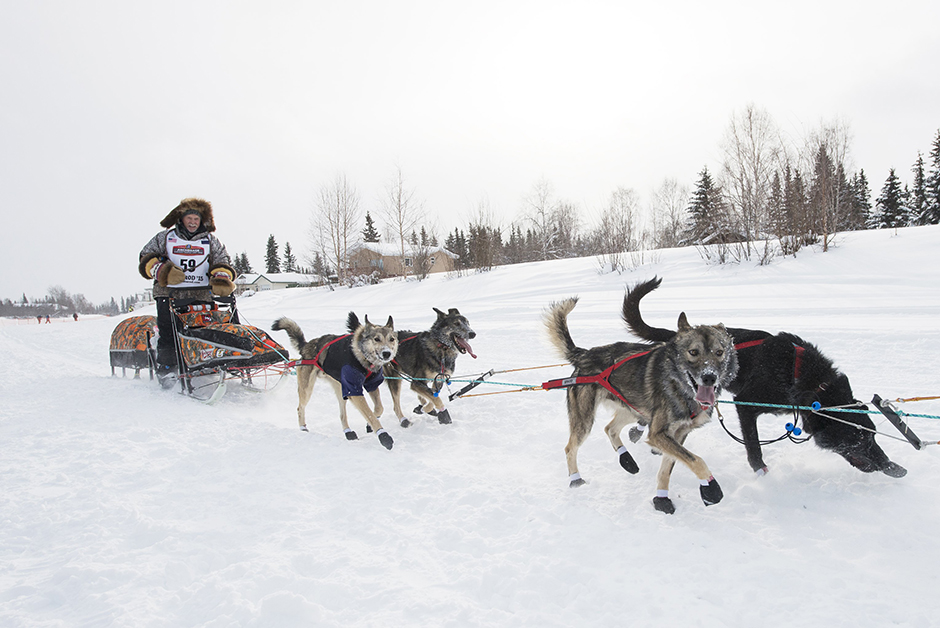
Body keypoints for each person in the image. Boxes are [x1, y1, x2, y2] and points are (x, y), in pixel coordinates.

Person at [139, 198, 236, 387]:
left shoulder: (210, 240)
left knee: (205, 329)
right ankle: (167, 368)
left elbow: (222, 259)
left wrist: (221, 277)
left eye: (196, 219)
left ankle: (204, 363)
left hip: (201, 293)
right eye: (189, 218)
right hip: (169, 293)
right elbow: (145, 257)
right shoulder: (165, 237)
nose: (193, 222)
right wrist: (163, 271)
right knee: (169, 331)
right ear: (181, 219)